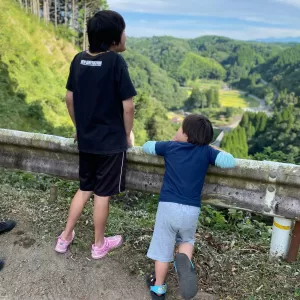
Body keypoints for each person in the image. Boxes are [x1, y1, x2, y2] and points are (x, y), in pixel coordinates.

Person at [55, 10, 136, 260]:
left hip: (87, 140)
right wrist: (127, 134)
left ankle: (65, 237)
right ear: (113, 39)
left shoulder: (79, 59)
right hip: (110, 144)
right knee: (102, 194)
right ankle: (98, 244)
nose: (126, 35)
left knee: (84, 188)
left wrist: (79, 127)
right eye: (123, 31)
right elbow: (129, 106)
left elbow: (70, 98)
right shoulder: (115, 62)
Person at [142, 114, 236, 300]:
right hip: (191, 210)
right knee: (186, 240)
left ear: (186, 134)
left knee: (163, 248)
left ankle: (159, 287)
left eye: (180, 129)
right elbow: (229, 161)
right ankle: (184, 264)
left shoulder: (170, 147)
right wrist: (210, 147)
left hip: (168, 207)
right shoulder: (206, 152)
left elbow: (147, 146)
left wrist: (168, 142)